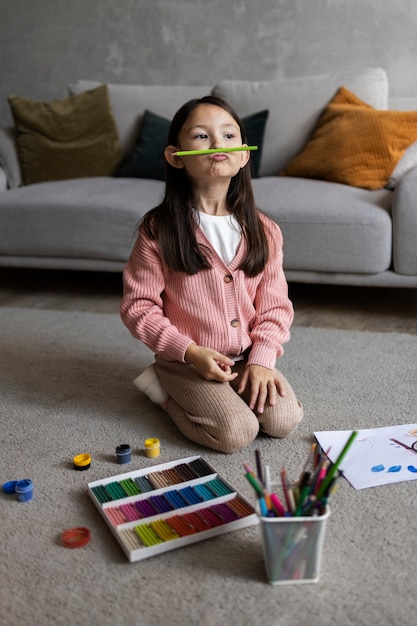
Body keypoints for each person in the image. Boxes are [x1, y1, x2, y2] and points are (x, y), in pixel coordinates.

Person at [120, 95, 303, 453]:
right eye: (202, 136)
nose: (218, 144)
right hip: (187, 360)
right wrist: (188, 353)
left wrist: (263, 360)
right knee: (235, 434)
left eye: (229, 135)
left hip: (247, 357)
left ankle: (239, 383)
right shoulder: (158, 230)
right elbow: (138, 307)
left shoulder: (265, 231)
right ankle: (162, 390)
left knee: (283, 422)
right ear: (175, 157)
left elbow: (275, 307)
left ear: (244, 154)